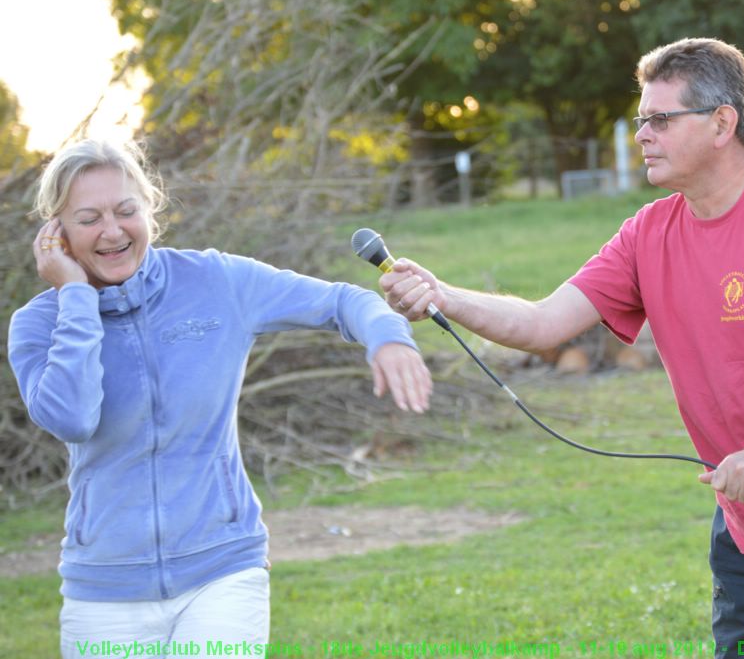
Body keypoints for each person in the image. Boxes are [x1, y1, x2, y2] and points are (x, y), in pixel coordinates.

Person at [381, 38, 744, 657]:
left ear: (723, 123)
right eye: (642, 120)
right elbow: (541, 323)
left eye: (661, 120)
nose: (643, 134)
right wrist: (442, 294)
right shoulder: (647, 233)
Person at [7, 138, 433, 658]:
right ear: (57, 235)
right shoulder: (37, 325)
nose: (113, 231)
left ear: (150, 211)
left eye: (126, 210)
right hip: (104, 591)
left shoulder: (216, 281)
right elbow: (72, 417)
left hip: (222, 571)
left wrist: (388, 339)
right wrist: (75, 297)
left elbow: (342, 300)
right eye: (88, 218)